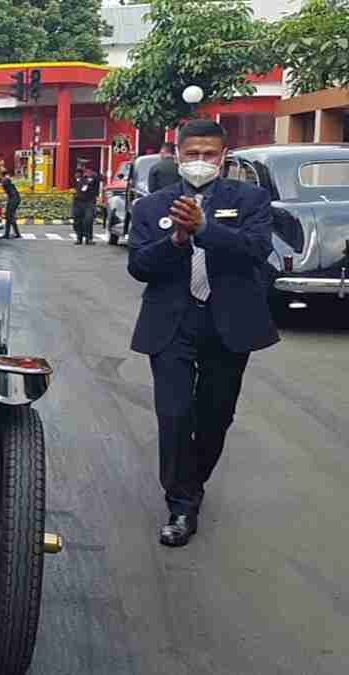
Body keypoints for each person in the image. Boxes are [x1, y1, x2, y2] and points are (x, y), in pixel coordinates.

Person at [128, 119, 279, 548]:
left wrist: (204, 230)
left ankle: (191, 483)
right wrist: (176, 240)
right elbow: (138, 266)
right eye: (191, 154)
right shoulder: (150, 207)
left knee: (215, 418)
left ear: (223, 157)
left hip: (228, 323)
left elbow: (256, 249)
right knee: (174, 416)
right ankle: (180, 504)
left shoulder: (251, 199)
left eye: (208, 155)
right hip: (172, 324)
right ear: (176, 155)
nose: (199, 162)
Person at [72, 163, 103, 245]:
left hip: (89, 201)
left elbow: (101, 178)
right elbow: (77, 180)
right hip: (78, 201)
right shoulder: (79, 176)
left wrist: (92, 175)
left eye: (87, 169)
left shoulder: (94, 176)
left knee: (88, 220)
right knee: (77, 221)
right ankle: (79, 238)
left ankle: (89, 239)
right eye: (84, 168)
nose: (86, 171)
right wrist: (84, 177)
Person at [0, 169, 22, 239]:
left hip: (13, 199)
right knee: (8, 216)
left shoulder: (4, 180)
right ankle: (8, 234)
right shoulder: (6, 179)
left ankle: (16, 233)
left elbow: (6, 186)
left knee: (9, 216)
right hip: (14, 198)